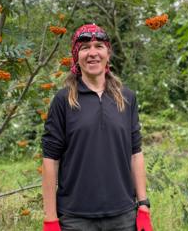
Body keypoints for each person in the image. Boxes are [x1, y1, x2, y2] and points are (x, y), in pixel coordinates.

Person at [41, 24, 153, 231]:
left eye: (99, 46)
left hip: (123, 216)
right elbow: (50, 160)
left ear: (108, 53)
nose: (92, 53)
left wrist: (143, 205)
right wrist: (50, 219)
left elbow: (135, 154)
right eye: (85, 47)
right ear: (76, 55)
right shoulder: (63, 101)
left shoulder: (127, 98)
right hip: (75, 218)